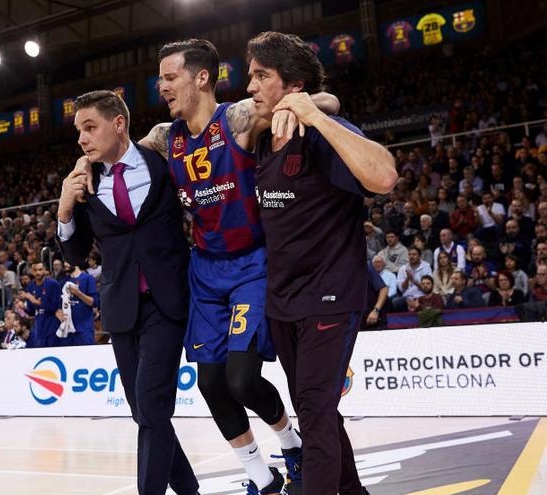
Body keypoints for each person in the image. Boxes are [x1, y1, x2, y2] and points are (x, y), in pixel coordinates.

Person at [130, 37, 343, 493]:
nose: (161, 86)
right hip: (204, 271)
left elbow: (329, 99)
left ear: (201, 77)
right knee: (211, 385)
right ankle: (261, 478)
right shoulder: (166, 139)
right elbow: (122, 152)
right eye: (160, 79)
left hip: (251, 265)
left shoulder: (240, 118)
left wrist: (298, 108)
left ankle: (293, 446)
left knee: (242, 380)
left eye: (169, 77)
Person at [250, 31, 396, 495]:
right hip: (284, 302)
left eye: (261, 76)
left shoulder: (321, 134)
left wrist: (319, 113)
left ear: (291, 85)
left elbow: (385, 176)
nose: (250, 85)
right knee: (318, 411)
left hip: (330, 297)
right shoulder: (259, 135)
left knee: (313, 414)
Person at [57, 90, 199, 495]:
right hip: (121, 310)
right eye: (78, 131)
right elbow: (75, 252)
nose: (82, 139)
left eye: (90, 127)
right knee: (144, 412)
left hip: (167, 301)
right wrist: (65, 210)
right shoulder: (84, 185)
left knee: (152, 405)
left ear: (118, 123)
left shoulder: (161, 161)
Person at [17, 262, 61, 348]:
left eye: (40, 270)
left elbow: (56, 307)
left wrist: (37, 302)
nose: (38, 273)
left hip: (53, 328)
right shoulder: (30, 286)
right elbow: (31, 312)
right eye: (35, 270)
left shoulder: (53, 284)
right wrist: (24, 307)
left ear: (44, 270)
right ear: (31, 271)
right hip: (39, 329)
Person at [56, 262, 99, 346]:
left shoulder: (88, 278)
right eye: (64, 262)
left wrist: (78, 293)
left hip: (84, 329)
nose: (65, 264)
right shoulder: (63, 281)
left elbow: (94, 302)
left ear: (75, 261)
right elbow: (58, 306)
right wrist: (58, 313)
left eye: (68, 262)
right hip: (67, 330)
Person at [393, 246, 433, 312]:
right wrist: (408, 278)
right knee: (396, 302)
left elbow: (428, 288)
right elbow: (401, 289)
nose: (411, 256)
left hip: (422, 296)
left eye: (414, 254)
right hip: (407, 298)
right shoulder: (403, 268)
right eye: (409, 254)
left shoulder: (426, 266)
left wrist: (414, 281)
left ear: (419, 256)